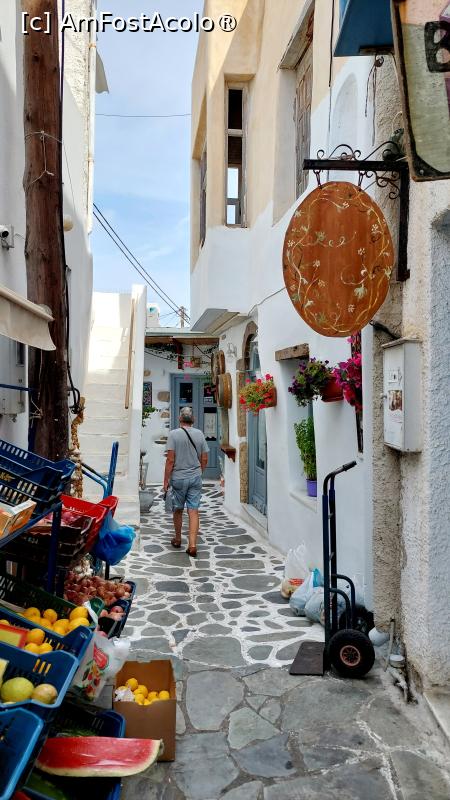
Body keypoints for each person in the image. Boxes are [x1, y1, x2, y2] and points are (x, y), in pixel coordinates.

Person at [163, 406, 209, 557]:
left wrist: (165, 480)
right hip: (195, 477)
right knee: (193, 510)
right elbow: (204, 458)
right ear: (193, 419)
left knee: (178, 509)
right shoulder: (200, 434)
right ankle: (193, 545)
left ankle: (177, 539)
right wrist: (199, 472)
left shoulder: (173, 435)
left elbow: (170, 460)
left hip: (178, 478)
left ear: (179, 419)